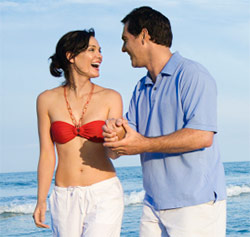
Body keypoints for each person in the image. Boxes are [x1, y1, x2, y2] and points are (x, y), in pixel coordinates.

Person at [103, 6, 227, 237]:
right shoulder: (140, 87)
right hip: (153, 204)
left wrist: (143, 145)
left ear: (144, 36)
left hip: (195, 205)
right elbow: (128, 139)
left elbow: (202, 136)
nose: (123, 48)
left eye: (125, 39)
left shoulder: (193, 75)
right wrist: (114, 134)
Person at [32, 29, 124, 237]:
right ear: (71, 56)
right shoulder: (46, 100)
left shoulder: (111, 97)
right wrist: (41, 200)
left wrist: (116, 140)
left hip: (104, 192)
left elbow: (114, 154)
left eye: (100, 50)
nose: (99, 55)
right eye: (92, 50)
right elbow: (47, 154)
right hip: (64, 196)